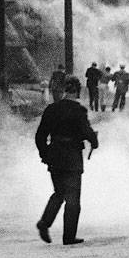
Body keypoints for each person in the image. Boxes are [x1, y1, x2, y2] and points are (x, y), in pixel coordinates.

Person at [35, 76, 98, 246]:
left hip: (55, 157)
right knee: (73, 199)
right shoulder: (79, 110)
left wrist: (45, 155)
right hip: (72, 158)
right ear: (77, 91)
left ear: (64, 90)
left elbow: (40, 136)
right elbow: (86, 132)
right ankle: (68, 237)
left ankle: (44, 223)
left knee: (59, 193)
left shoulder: (51, 109)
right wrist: (94, 141)